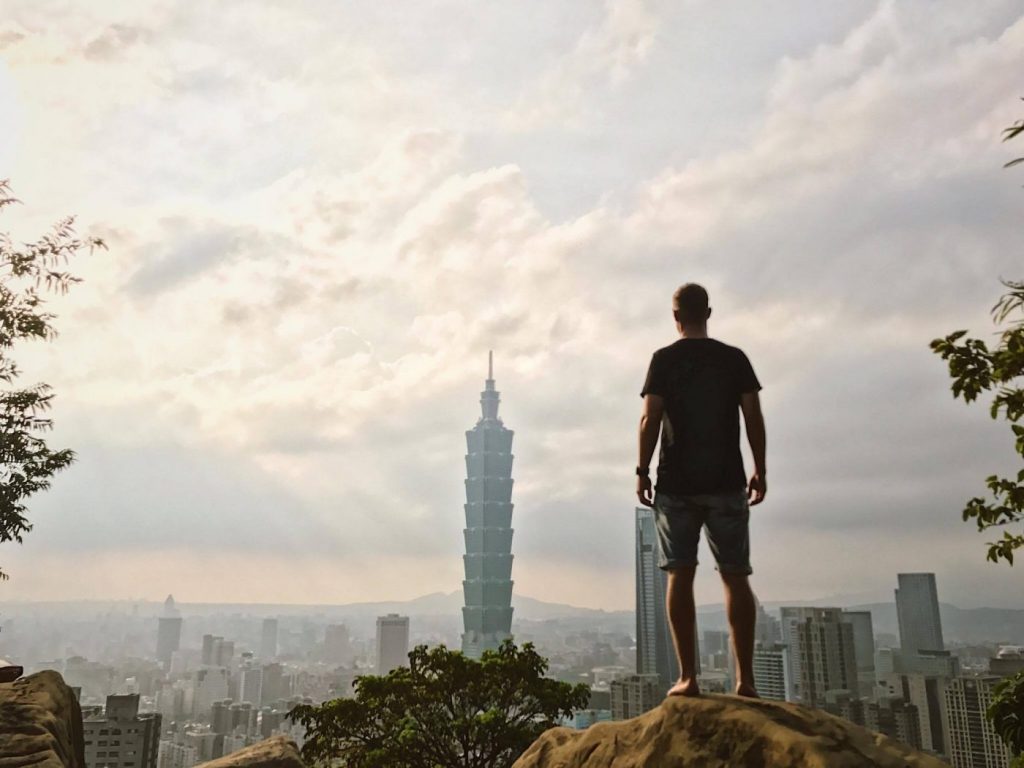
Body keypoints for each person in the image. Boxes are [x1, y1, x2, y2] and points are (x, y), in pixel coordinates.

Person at [636, 283, 766, 698]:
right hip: (727, 481)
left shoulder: (663, 360)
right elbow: (753, 417)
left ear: (675, 316)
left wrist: (642, 471)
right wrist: (760, 469)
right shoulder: (734, 359)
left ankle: (688, 678)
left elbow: (650, 419)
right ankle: (745, 681)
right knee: (735, 576)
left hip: (676, 484)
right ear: (708, 312)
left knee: (680, 572)